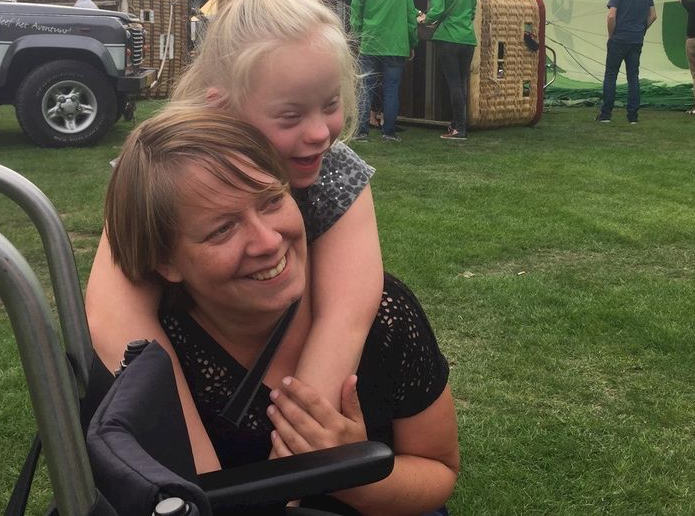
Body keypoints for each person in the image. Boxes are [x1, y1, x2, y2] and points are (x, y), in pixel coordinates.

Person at [85, 0, 384, 474]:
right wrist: (204, 480)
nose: (320, 133)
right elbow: (119, 322)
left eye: (331, 104)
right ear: (223, 110)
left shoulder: (337, 173)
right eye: (290, 117)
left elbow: (346, 316)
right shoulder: (156, 174)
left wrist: (288, 476)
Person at [103, 109, 459, 515]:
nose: (268, 242)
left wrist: (352, 472)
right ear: (165, 262)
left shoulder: (385, 314)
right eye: (223, 228)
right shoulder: (151, 360)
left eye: (272, 200)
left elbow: (439, 469)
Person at [350, 0, 418, 142]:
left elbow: (356, 19)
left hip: (370, 44)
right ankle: (388, 132)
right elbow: (411, 20)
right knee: (391, 89)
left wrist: (357, 39)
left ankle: (361, 132)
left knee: (365, 88)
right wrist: (411, 42)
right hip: (396, 46)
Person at [420, 0, 476, 141]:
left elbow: (437, 10)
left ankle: (459, 128)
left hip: (448, 39)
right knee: (462, 83)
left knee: (453, 84)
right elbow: (473, 8)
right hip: (467, 39)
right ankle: (460, 124)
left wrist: (424, 19)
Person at [598, 0, 656, 125]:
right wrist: (641, 30)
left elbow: (611, 15)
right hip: (636, 40)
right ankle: (633, 116)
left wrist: (611, 35)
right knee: (633, 77)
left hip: (619, 39)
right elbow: (653, 15)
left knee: (610, 76)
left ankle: (606, 114)